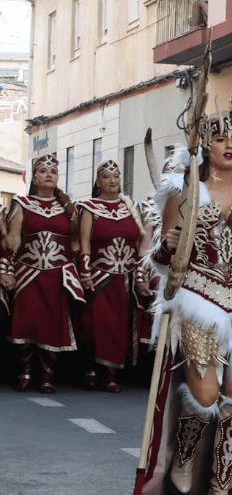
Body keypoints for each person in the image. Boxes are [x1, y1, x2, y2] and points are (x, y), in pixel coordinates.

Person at [149, 100, 232, 495]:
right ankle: (185, 454)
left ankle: (221, 481)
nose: (230, 146)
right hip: (199, 299)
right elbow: (164, 257)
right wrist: (166, 246)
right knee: (205, 396)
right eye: (221, 138)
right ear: (206, 145)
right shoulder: (183, 191)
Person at [0, 154, 82, 392]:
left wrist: (81, 273)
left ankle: (47, 375)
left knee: (53, 325)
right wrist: (6, 271)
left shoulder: (69, 208)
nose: (49, 175)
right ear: (34, 178)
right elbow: (11, 243)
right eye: (44, 171)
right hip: (27, 274)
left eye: (53, 172)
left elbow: (75, 245)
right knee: (27, 322)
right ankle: (25, 369)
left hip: (58, 276)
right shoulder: (22, 204)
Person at [76, 160, 148, 392]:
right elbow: (84, 243)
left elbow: (141, 244)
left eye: (116, 176)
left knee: (121, 325)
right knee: (94, 323)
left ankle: (111, 374)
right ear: (98, 182)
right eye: (106, 177)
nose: (112, 180)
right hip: (99, 276)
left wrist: (140, 274)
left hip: (125, 278)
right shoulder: (89, 207)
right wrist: (85, 272)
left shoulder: (132, 207)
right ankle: (91, 368)